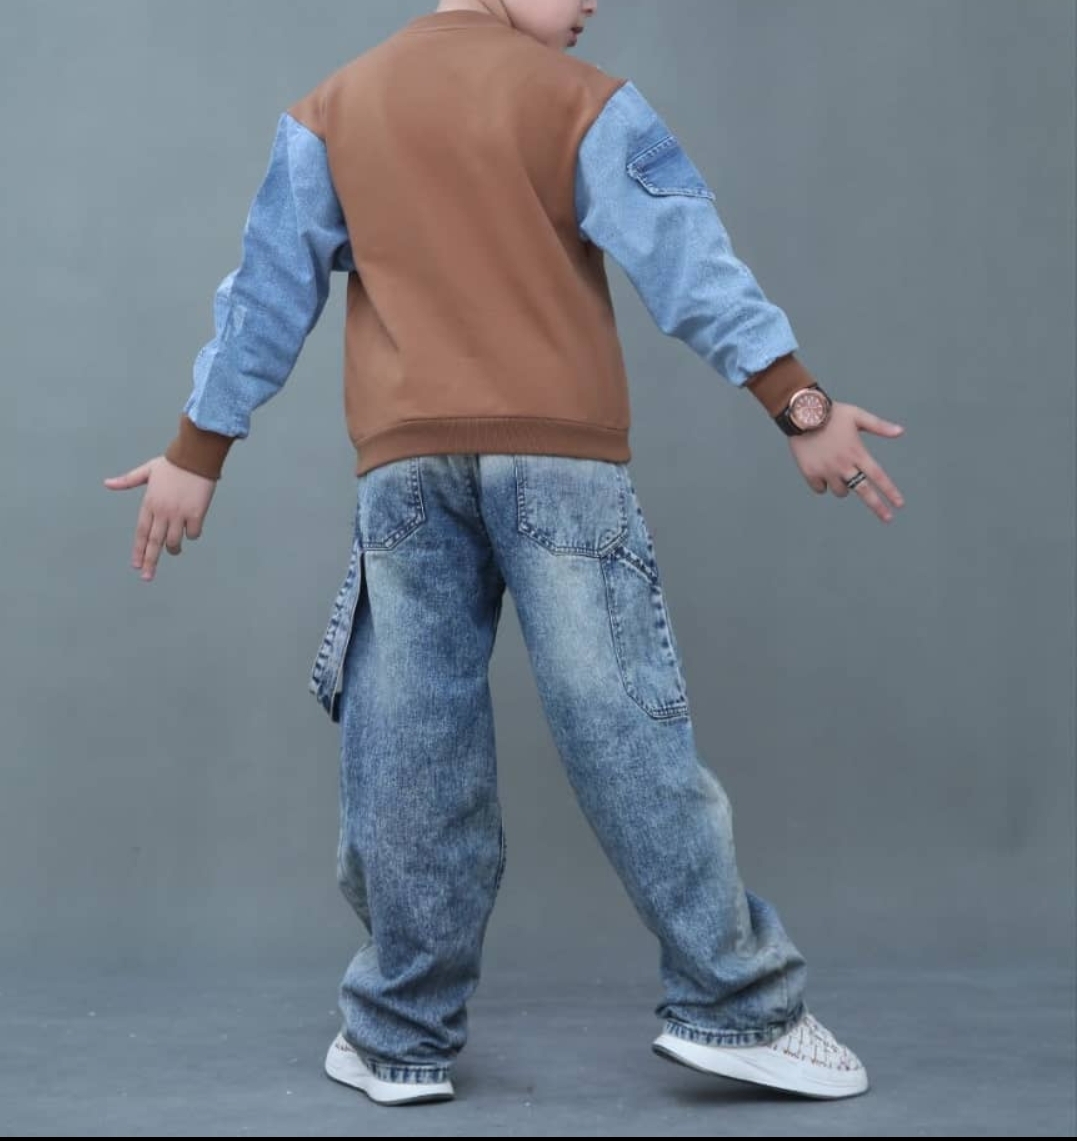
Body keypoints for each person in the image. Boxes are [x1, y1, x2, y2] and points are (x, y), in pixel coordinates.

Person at [104, 0, 905, 1108]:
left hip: (404, 471)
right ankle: (739, 1007)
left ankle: (398, 1036)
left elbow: (267, 291)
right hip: (561, 463)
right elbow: (686, 261)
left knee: (411, 748)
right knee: (624, 731)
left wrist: (200, 449)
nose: (590, 6)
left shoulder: (334, 109)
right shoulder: (582, 102)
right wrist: (798, 404)